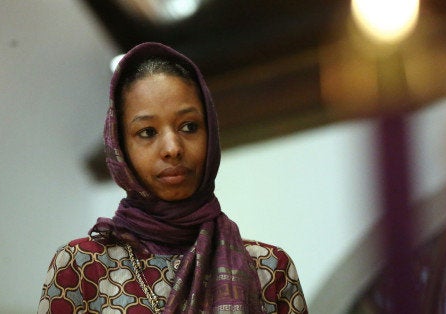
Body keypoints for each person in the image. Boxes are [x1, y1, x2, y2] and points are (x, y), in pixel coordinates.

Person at [38, 42, 308, 313]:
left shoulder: (269, 271)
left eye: (189, 127)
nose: (172, 148)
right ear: (121, 147)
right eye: (147, 132)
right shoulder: (81, 268)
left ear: (211, 134)